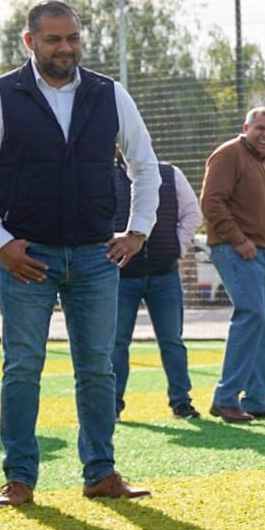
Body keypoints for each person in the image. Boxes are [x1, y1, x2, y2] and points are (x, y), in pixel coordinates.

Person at [0, 0, 159, 508]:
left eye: (73, 39)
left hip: (95, 257)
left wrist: (138, 232)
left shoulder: (110, 94)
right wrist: (2, 243)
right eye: (53, 40)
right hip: (26, 257)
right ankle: (18, 479)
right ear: (30, 42)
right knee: (22, 367)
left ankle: (100, 473)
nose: (65, 49)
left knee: (98, 368)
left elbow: (145, 168)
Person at [200, 107, 265, 425]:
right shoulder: (228, 155)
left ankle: (255, 398)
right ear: (246, 127)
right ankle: (225, 398)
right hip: (236, 250)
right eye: (261, 128)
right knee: (251, 314)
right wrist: (239, 240)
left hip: (262, 253)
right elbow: (211, 201)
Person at [112, 153, 203, 421]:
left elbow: (192, 214)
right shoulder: (103, 175)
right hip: (120, 277)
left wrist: (177, 246)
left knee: (172, 340)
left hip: (165, 275)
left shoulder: (170, 174)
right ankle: (112, 405)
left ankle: (181, 402)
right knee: (116, 343)